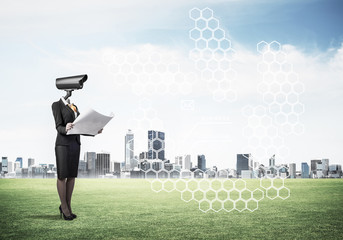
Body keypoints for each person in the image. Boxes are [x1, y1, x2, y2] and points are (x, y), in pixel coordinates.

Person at [52, 97, 103, 220]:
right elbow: (58, 126)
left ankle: (68, 206)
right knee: (62, 176)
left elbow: (81, 127)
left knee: (71, 176)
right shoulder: (57, 105)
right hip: (63, 144)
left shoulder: (75, 107)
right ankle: (64, 207)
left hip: (75, 144)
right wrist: (66, 128)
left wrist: (94, 131)